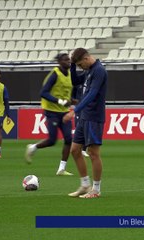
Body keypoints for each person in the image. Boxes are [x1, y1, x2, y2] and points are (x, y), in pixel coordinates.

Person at [63, 48, 108, 199]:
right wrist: (73, 66)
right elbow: (75, 81)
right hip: (84, 116)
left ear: (87, 58)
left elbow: (92, 94)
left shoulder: (99, 71)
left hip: (94, 117)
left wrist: (75, 110)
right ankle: (84, 185)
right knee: (75, 150)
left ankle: (96, 189)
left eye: (81, 64)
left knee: (93, 153)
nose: (81, 68)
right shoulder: (88, 71)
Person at [25, 53, 74, 176]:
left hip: (64, 111)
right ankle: (33, 147)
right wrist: (60, 101)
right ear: (59, 62)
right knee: (52, 140)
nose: (68, 61)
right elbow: (43, 93)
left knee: (69, 139)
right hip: (52, 111)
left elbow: (66, 92)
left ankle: (61, 169)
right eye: (65, 60)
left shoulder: (70, 75)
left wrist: (72, 100)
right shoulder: (54, 74)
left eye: (69, 59)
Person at [71, 82, 89, 158]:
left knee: (86, 129)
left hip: (87, 109)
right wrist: (74, 101)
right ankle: (78, 148)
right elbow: (72, 94)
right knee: (79, 127)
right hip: (79, 108)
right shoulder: (78, 83)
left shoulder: (91, 83)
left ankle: (84, 150)